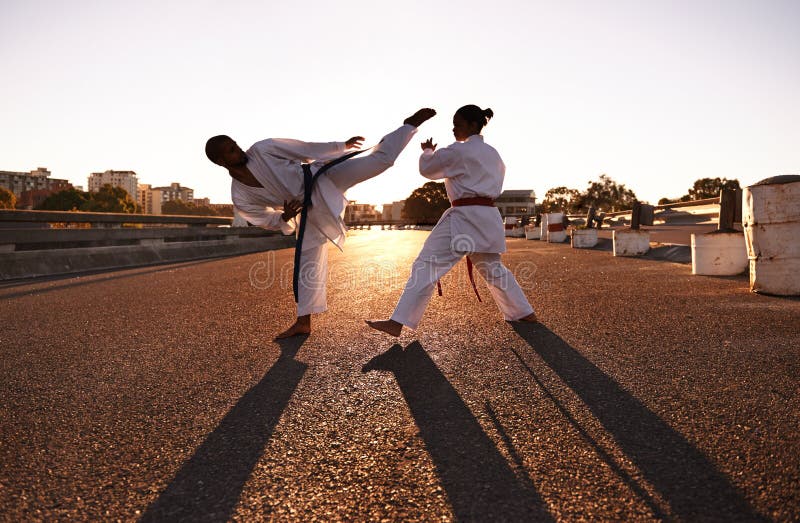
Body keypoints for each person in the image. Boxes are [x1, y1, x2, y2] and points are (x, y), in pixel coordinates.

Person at [206, 108, 436, 339]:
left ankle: (408, 127)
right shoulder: (240, 195)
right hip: (308, 211)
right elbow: (261, 218)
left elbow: (304, 149)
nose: (239, 150)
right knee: (307, 265)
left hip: (321, 176)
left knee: (380, 161)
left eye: (235, 144)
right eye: (231, 151)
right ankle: (303, 322)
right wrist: (283, 217)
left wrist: (341, 146)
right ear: (220, 161)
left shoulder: (262, 149)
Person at [366, 105, 538, 337]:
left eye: (458, 124)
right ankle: (523, 312)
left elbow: (428, 169)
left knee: (426, 264)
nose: (453, 128)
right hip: (487, 217)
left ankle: (397, 321)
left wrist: (427, 151)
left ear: (472, 125)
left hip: (464, 217)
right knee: (493, 268)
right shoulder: (493, 154)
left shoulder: (460, 151)